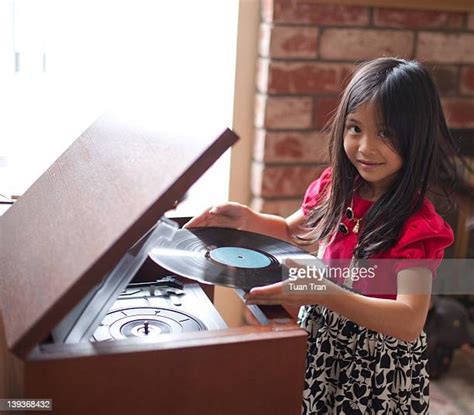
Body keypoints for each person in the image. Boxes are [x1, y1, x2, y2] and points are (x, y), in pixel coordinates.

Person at [185, 58, 473, 414]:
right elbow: (292, 230)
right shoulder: (337, 187)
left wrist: (324, 292)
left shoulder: (416, 227)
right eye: (355, 128)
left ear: (417, 137)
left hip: (376, 371)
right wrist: (249, 219)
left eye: (385, 133)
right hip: (323, 344)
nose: (365, 147)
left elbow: (409, 320)